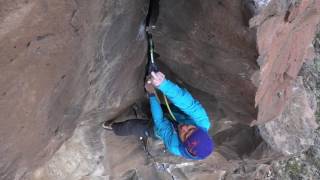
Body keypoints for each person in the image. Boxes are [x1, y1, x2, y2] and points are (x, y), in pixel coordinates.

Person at [103, 71, 214, 160]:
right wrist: (163, 84)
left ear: (183, 143)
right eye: (191, 129)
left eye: (185, 135)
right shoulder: (203, 122)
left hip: (157, 129)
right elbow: (187, 103)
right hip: (174, 114)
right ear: (199, 129)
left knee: (132, 127)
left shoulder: (174, 145)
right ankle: (145, 107)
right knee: (153, 108)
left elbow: (159, 121)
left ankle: (113, 127)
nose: (184, 128)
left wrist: (152, 94)